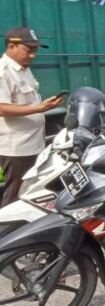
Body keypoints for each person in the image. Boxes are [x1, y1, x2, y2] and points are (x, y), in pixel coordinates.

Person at [0, 27, 64, 206]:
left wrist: (43, 106)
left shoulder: (23, 69)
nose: (33, 55)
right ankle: (8, 233)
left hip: (33, 144)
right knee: (15, 198)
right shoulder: (3, 72)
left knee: (31, 194)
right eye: (28, 50)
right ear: (12, 46)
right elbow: (2, 108)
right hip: (17, 149)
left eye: (35, 51)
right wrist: (40, 108)